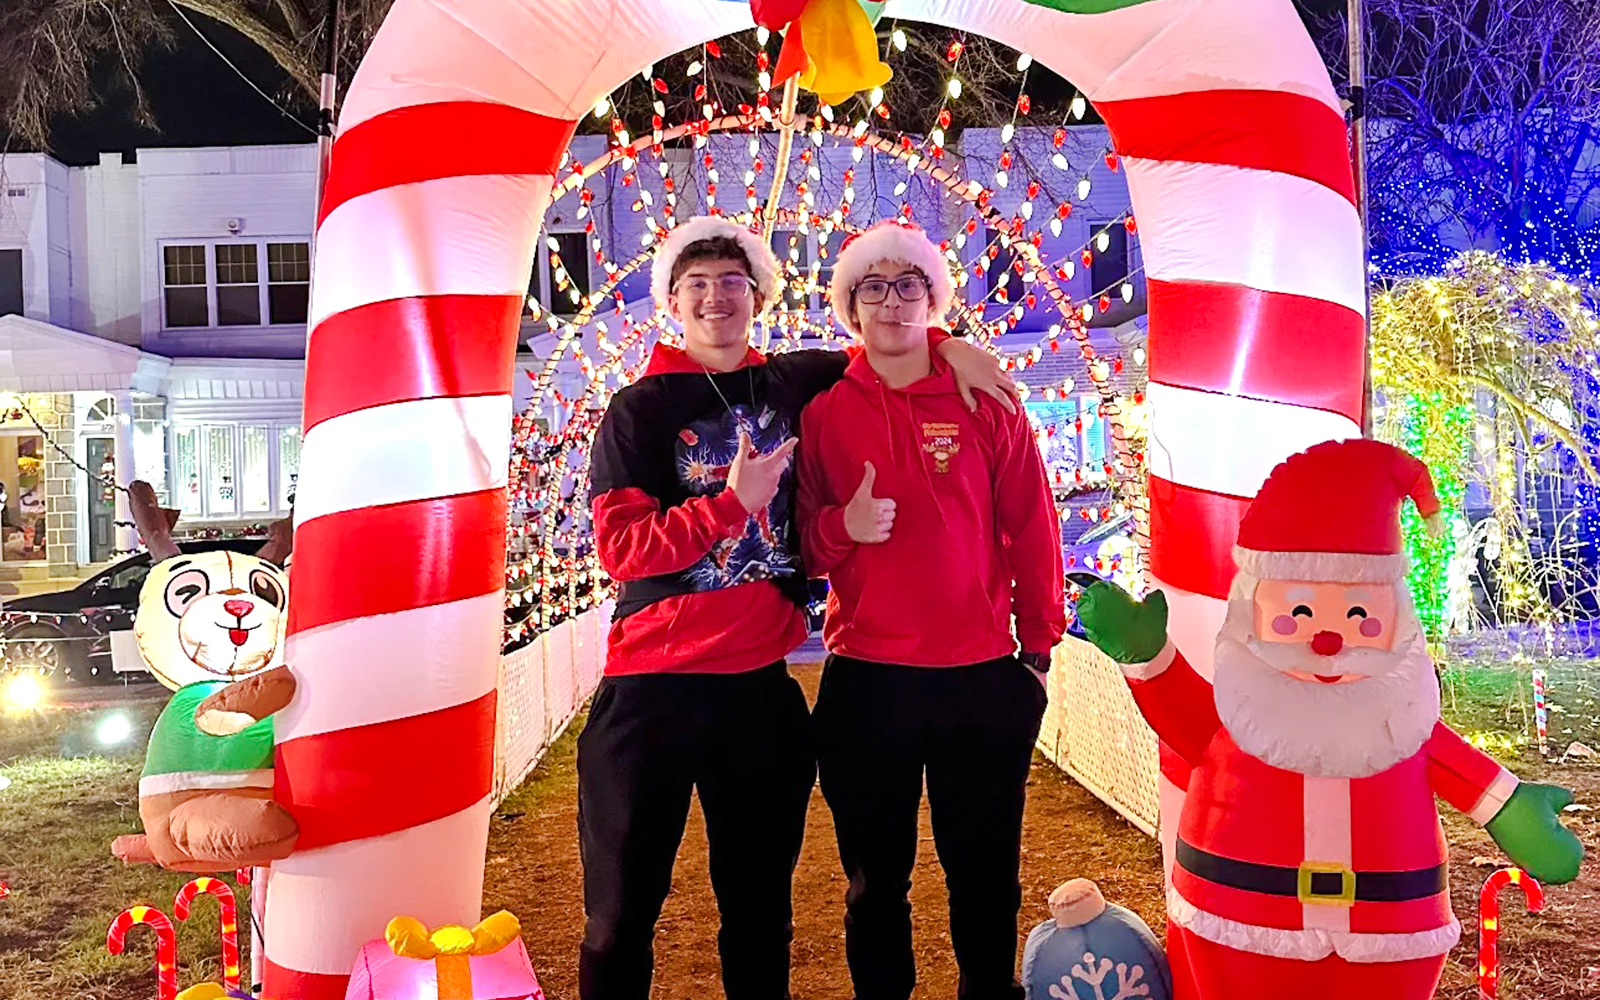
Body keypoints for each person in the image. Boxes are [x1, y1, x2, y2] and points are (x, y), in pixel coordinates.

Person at [579, 215, 1018, 1000]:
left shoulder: (791, 382)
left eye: (733, 282)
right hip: (650, 688)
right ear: (672, 303)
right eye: (698, 285)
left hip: (757, 691)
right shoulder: (636, 411)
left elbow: (887, 332)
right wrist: (728, 505)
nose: (717, 299)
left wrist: (953, 344)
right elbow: (623, 553)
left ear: (758, 295)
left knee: (759, 914)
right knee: (619, 917)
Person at [1074, 439, 1582, 1000]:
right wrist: (1151, 658)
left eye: (1360, 615)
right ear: (1255, 609)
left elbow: (1459, 768)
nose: (1328, 639)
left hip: (1386, 932)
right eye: (1299, 612)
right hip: (1243, 921)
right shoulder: (1240, 714)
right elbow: (1189, 724)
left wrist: (1516, 810)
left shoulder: (1402, 720)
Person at [796, 221, 1067, 1000]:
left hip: (981, 678)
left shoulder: (988, 400)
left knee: (985, 880)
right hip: (867, 681)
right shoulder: (823, 412)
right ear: (850, 305)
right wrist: (840, 527)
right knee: (874, 885)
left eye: (908, 285)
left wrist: (1038, 652)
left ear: (932, 297)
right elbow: (805, 549)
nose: (891, 302)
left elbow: (1032, 524)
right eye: (871, 288)